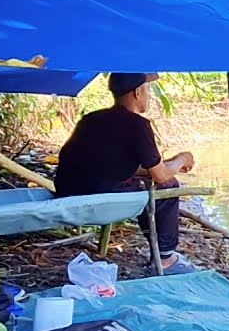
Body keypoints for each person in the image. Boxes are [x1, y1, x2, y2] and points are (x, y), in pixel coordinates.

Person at [55, 73, 196, 274]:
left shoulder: (91, 119)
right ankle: (165, 258)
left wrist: (164, 165)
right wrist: (182, 159)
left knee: (144, 180)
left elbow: (116, 164)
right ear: (138, 92)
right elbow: (162, 176)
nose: (149, 96)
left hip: (67, 190)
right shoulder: (137, 125)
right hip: (97, 195)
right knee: (169, 187)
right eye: (147, 91)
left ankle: (161, 252)